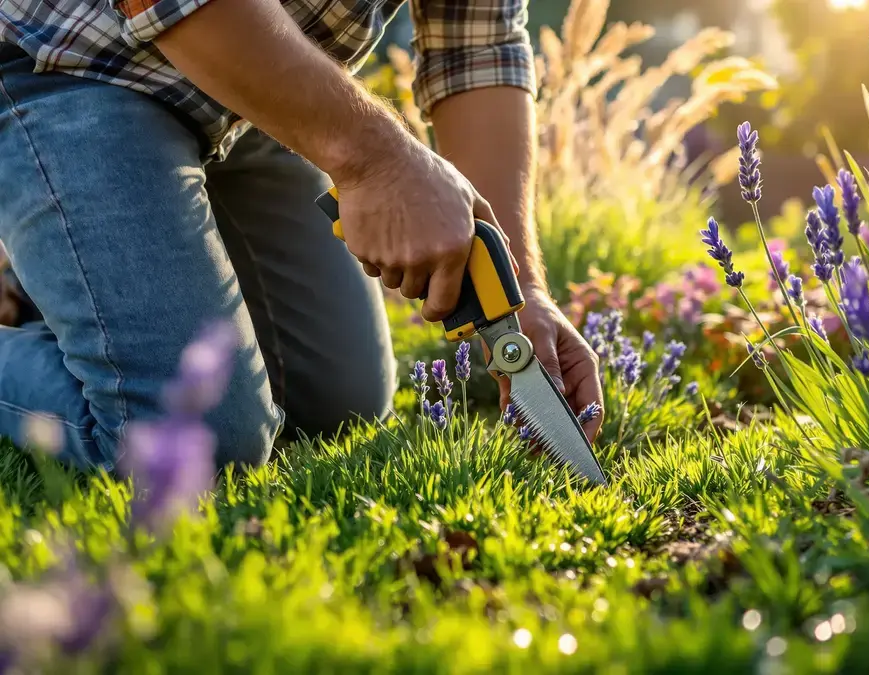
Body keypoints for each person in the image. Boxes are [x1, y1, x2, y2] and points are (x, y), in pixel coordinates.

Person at [0, 0, 604, 473]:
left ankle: (66, 281)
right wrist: (376, 160)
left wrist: (518, 287)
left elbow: (479, 47)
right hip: (63, 68)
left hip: (249, 96)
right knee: (192, 438)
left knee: (334, 406)